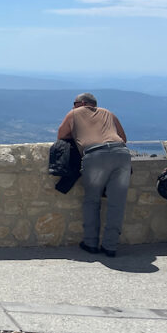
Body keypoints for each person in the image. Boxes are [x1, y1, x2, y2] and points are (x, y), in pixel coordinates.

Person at [57, 92, 131, 258]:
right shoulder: (109, 113)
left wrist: (78, 135)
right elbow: (123, 138)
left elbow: (61, 135)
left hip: (96, 155)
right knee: (117, 203)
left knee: (92, 200)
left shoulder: (74, 113)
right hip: (121, 154)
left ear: (82, 103)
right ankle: (110, 246)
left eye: (74, 103)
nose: (72, 107)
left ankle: (90, 243)